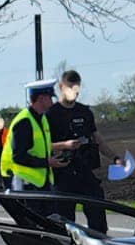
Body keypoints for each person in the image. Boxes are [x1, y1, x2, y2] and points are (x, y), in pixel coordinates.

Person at [47, 69, 115, 234]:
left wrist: (115, 157)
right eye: (70, 88)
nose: (74, 92)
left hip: (85, 171)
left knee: (98, 218)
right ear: (61, 87)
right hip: (63, 174)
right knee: (64, 224)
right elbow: (43, 145)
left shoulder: (85, 112)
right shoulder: (51, 114)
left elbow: (96, 137)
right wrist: (65, 145)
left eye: (76, 88)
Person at [1, 82, 69, 208]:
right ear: (41, 98)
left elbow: (41, 147)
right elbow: (18, 157)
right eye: (50, 98)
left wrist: (57, 152)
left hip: (40, 183)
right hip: (26, 183)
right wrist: (47, 162)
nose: (52, 102)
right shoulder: (24, 121)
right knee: (31, 224)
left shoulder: (41, 119)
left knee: (47, 222)